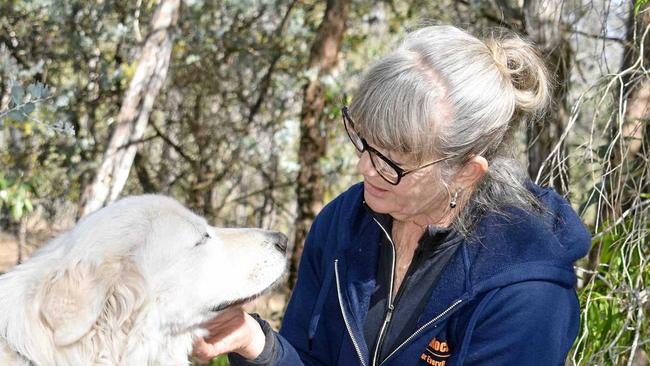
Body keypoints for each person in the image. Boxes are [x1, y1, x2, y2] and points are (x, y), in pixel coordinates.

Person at [193, 25, 591, 365]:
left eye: (393, 162)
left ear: (466, 172)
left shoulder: (526, 293)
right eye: (364, 141)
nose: (365, 167)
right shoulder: (343, 222)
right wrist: (255, 343)